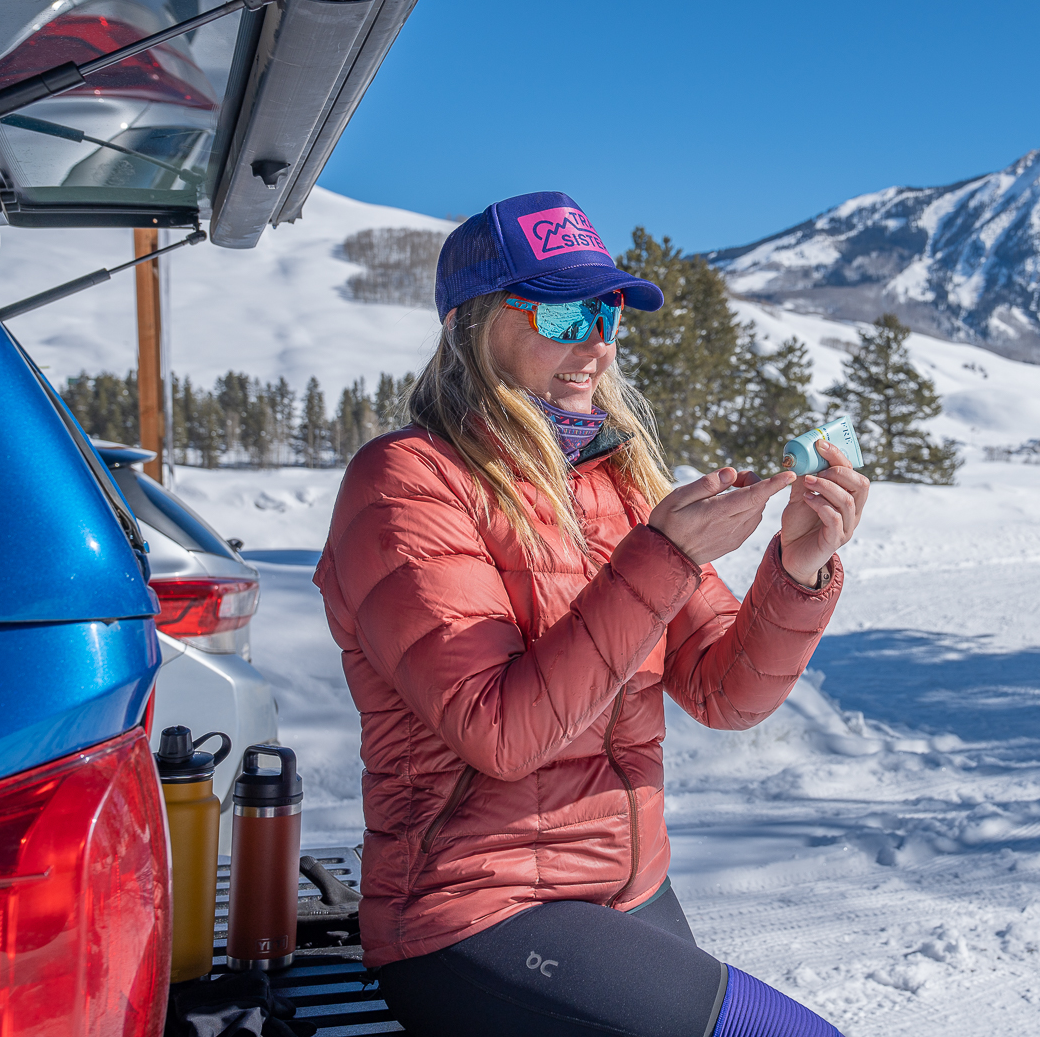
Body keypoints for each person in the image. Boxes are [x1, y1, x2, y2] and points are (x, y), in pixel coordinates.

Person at [314, 192, 868, 1037]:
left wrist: (798, 569)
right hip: (477, 912)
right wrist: (666, 558)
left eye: (608, 311)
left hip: (626, 892)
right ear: (473, 324)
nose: (598, 344)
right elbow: (502, 733)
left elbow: (726, 693)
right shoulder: (408, 482)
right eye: (566, 313)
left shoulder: (619, 484)